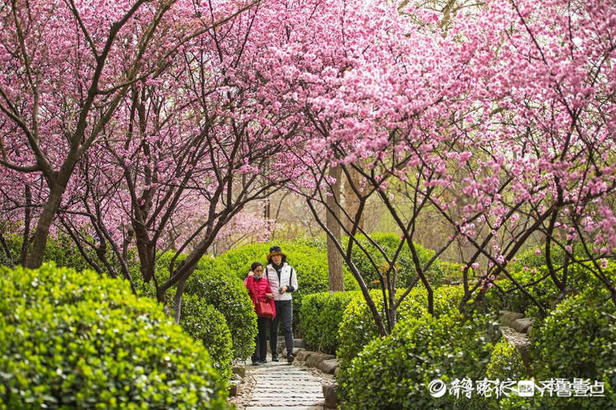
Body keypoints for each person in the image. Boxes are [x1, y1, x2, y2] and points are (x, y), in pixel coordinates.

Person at [264, 246, 298, 363]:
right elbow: (263, 285)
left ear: (282, 256)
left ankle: (290, 353)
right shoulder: (267, 270)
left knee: (287, 328)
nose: (276, 258)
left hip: (286, 301)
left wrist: (286, 288)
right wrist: (268, 294)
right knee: (273, 328)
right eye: (273, 256)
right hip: (273, 302)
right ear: (271, 258)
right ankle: (274, 354)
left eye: (278, 255)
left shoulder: (290, 269)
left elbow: (295, 286)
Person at [244, 261, 275, 365]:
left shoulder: (265, 281)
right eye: (257, 271)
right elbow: (248, 289)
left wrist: (273, 311)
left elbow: (271, 295)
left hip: (263, 311)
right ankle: (255, 358)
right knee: (255, 335)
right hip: (253, 310)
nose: (259, 273)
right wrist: (250, 277)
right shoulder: (248, 280)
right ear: (252, 271)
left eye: (261, 271)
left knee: (263, 334)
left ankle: (263, 357)